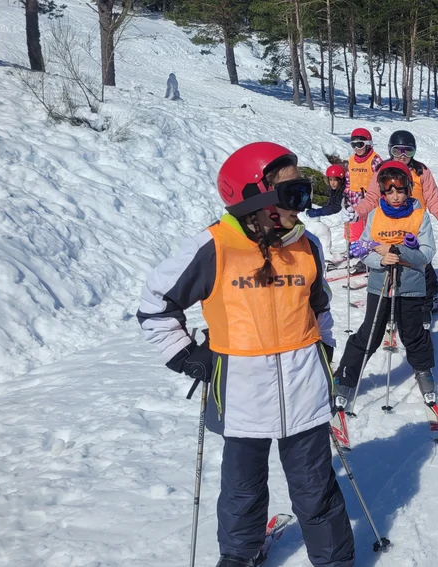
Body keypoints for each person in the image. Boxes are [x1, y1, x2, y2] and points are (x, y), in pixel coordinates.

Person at [137, 142, 354, 567]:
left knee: (316, 487)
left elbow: (321, 306)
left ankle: (334, 561)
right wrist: (186, 355)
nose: (303, 205)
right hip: (240, 396)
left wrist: (322, 349)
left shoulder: (306, 245)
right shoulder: (214, 247)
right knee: (242, 488)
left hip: (305, 391)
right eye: (292, 195)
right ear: (255, 198)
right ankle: (239, 555)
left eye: (304, 192)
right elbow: (155, 305)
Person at [332, 160, 438, 408]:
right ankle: (346, 377)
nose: (395, 196)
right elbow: (366, 249)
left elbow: (427, 253)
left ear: (408, 189)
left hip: (410, 286)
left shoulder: (419, 214)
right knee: (370, 333)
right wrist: (380, 259)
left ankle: (423, 370)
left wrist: (399, 252)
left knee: (413, 334)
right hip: (380, 286)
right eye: (389, 191)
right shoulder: (376, 214)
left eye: (400, 190)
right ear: (382, 191)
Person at [343, 130, 438, 316]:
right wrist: (357, 212)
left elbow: (432, 198)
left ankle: (429, 296)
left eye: (408, 151)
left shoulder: (421, 171)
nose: (403, 156)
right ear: (390, 151)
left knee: (420, 261)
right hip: (388, 222)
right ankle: (385, 296)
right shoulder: (382, 170)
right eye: (398, 151)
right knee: (388, 259)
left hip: (413, 223)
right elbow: (372, 197)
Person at [344, 128, 383, 273]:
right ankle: (355, 248)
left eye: (359, 144)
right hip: (354, 200)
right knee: (354, 227)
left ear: (368, 144)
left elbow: (380, 181)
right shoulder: (351, 160)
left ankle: (369, 257)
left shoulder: (375, 160)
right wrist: (346, 195)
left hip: (370, 201)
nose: (356, 148)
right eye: (353, 145)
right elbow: (348, 180)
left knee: (369, 230)